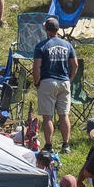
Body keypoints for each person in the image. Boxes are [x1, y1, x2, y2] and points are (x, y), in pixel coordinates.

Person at [33, 18, 79, 150]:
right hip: (64, 81)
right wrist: (69, 79)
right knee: (64, 115)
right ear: (58, 29)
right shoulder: (67, 45)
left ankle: (49, 145)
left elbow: (36, 67)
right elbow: (75, 65)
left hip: (48, 81)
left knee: (48, 116)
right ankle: (66, 145)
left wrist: (37, 82)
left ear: (46, 30)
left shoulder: (41, 46)